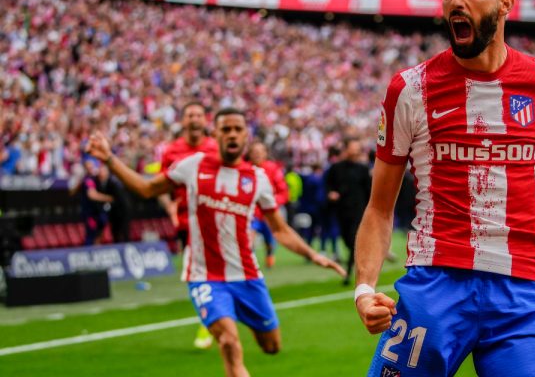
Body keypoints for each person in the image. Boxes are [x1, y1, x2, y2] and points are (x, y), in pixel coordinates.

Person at [353, 0, 535, 376]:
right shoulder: (410, 89)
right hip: (434, 286)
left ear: (505, 3)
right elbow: (380, 207)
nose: (456, 2)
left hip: (523, 293)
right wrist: (364, 289)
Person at [86, 108, 345, 377]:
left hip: (246, 275)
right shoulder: (194, 165)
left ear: (246, 136)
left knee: (271, 346)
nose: (232, 134)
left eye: (237, 129)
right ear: (215, 134)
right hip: (205, 276)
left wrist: (313, 255)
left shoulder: (257, 179)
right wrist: (110, 159)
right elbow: (146, 188)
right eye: (226, 129)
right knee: (229, 342)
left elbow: (279, 229)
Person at [159, 101, 219, 349]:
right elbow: (160, 186)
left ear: (205, 120)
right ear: (183, 121)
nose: (194, 119)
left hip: (217, 218)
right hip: (187, 221)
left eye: (198, 115)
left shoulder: (215, 147)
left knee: (216, 269)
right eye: (190, 115)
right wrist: (169, 207)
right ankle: (209, 318)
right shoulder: (171, 151)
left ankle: (212, 318)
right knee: (197, 272)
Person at [325, 138, 371, 285]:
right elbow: (328, 185)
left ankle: (349, 273)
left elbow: (369, 191)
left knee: (354, 241)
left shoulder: (363, 169)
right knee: (347, 240)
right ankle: (356, 264)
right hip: (342, 210)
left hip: (359, 210)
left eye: (357, 147)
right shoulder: (336, 168)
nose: (355, 150)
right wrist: (331, 193)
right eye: (353, 147)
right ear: (346, 149)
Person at [246, 141, 290, 268]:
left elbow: (284, 192)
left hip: (269, 214)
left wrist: (271, 202)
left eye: (260, 152)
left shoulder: (273, 169)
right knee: (249, 240)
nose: (257, 155)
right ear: (249, 154)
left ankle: (269, 253)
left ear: (265, 153)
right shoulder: (245, 169)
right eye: (254, 152)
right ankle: (250, 263)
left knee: (270, 242)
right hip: (251, 214)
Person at [97, 163, 131, 243]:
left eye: (103, 171)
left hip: (122, 211)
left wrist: (109, 202)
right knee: (115, 231)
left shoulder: (113, 183)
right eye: (100, 171)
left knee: (124, 231)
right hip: (113, 212)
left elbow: (118, 199)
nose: (101, 173)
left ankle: (126, 246)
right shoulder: (100, 183)